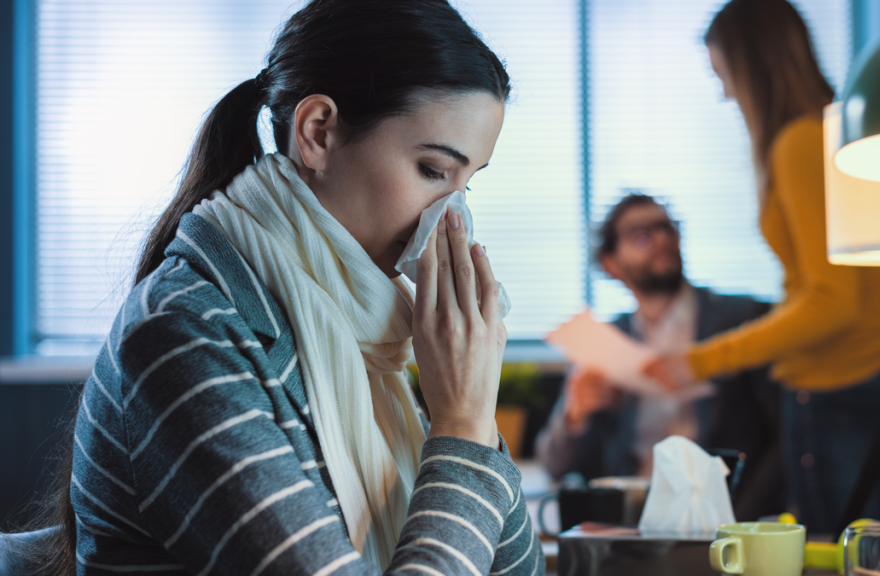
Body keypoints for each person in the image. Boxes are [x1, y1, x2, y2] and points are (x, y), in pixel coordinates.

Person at [41, 1, 543, 574]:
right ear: (317, 132)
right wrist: (458, 429)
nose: (448, 219)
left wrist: (472, 414)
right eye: (432, 171)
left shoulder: (378, 338)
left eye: (465, 186)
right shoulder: (184, 334)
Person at [643, 0, 880, 534]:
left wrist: (700, 360)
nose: (725, 92)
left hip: (835, 387)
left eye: (723, 74)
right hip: (872, 376)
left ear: (752, 65)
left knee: (832, 554)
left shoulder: (799, 143)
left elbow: (829, 301)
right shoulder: (839, 131)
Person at [535, 194, 785, 521]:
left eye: (667, 228)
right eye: (642, 234)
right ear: (610, 264)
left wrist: (740, 521)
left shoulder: (742, 320)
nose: (662, 239)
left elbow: (786, 438)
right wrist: (574, 415)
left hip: (724, 516)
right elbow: (555, 464)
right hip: (634, 520)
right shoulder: (605, 342)